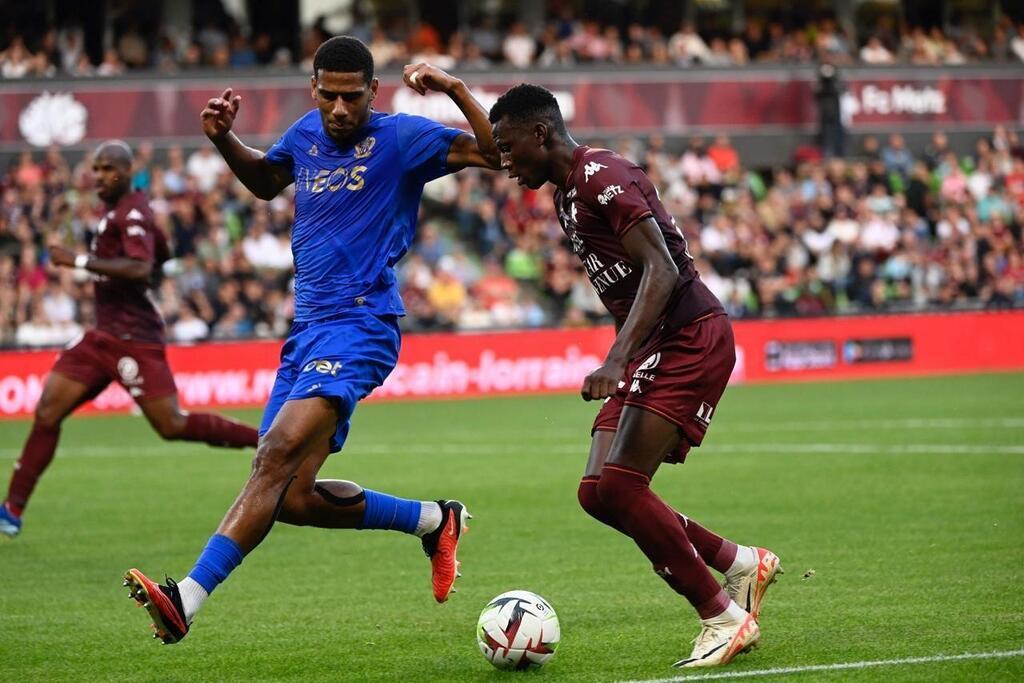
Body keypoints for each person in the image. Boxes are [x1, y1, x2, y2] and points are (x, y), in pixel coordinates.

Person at [123, 36, 499, 644]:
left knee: (273, 454)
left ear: (373, 92)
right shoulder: (304, 134)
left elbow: (497, 155)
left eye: (353, 97)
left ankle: (185, 600)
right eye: (329, 96)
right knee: (292, 497)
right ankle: (434, 519)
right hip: (306, 332)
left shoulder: (402, 137)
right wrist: (223, 139)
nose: (341, 109)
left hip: (361, 325)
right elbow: (268, 182)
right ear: (314, 90)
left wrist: (454, 90)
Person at [485, 84, 782, 669]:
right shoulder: (566, 194)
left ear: (540, 133)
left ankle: (722, 617)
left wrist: (617, 357)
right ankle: (741, 562)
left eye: (509, 145)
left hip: (688, 337)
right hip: (656, 345)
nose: (504, 160)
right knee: (597, 492)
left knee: (621, 487)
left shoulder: (600, 173)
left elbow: (663, 269)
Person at [0, 141, 260, 540]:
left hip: (134, 339)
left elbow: (139, 268)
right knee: (48, 409)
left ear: (125, 172)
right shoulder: (122, 211)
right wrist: (153, 262)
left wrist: (80, 261)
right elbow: (163, 252)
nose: (99, 176)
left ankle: (264, 442)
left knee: (171, 425)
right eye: (96, 169)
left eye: (107, 169)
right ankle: (12, 508)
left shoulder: (132, 211)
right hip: (102, 335)